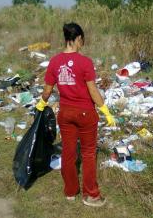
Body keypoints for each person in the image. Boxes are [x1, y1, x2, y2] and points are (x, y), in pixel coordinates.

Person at [36, 22, 115, 207]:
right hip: (86, 113)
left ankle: (70, 191)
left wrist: (41, 105)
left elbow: (47, 91)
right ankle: (91, 196)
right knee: (88, 153)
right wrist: (105, 111)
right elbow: (93, 91)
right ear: (78, 38)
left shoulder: (54, 61)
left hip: (65, 113)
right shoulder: (85, 62)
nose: (82, 44)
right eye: (82, 41)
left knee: (68, 152)